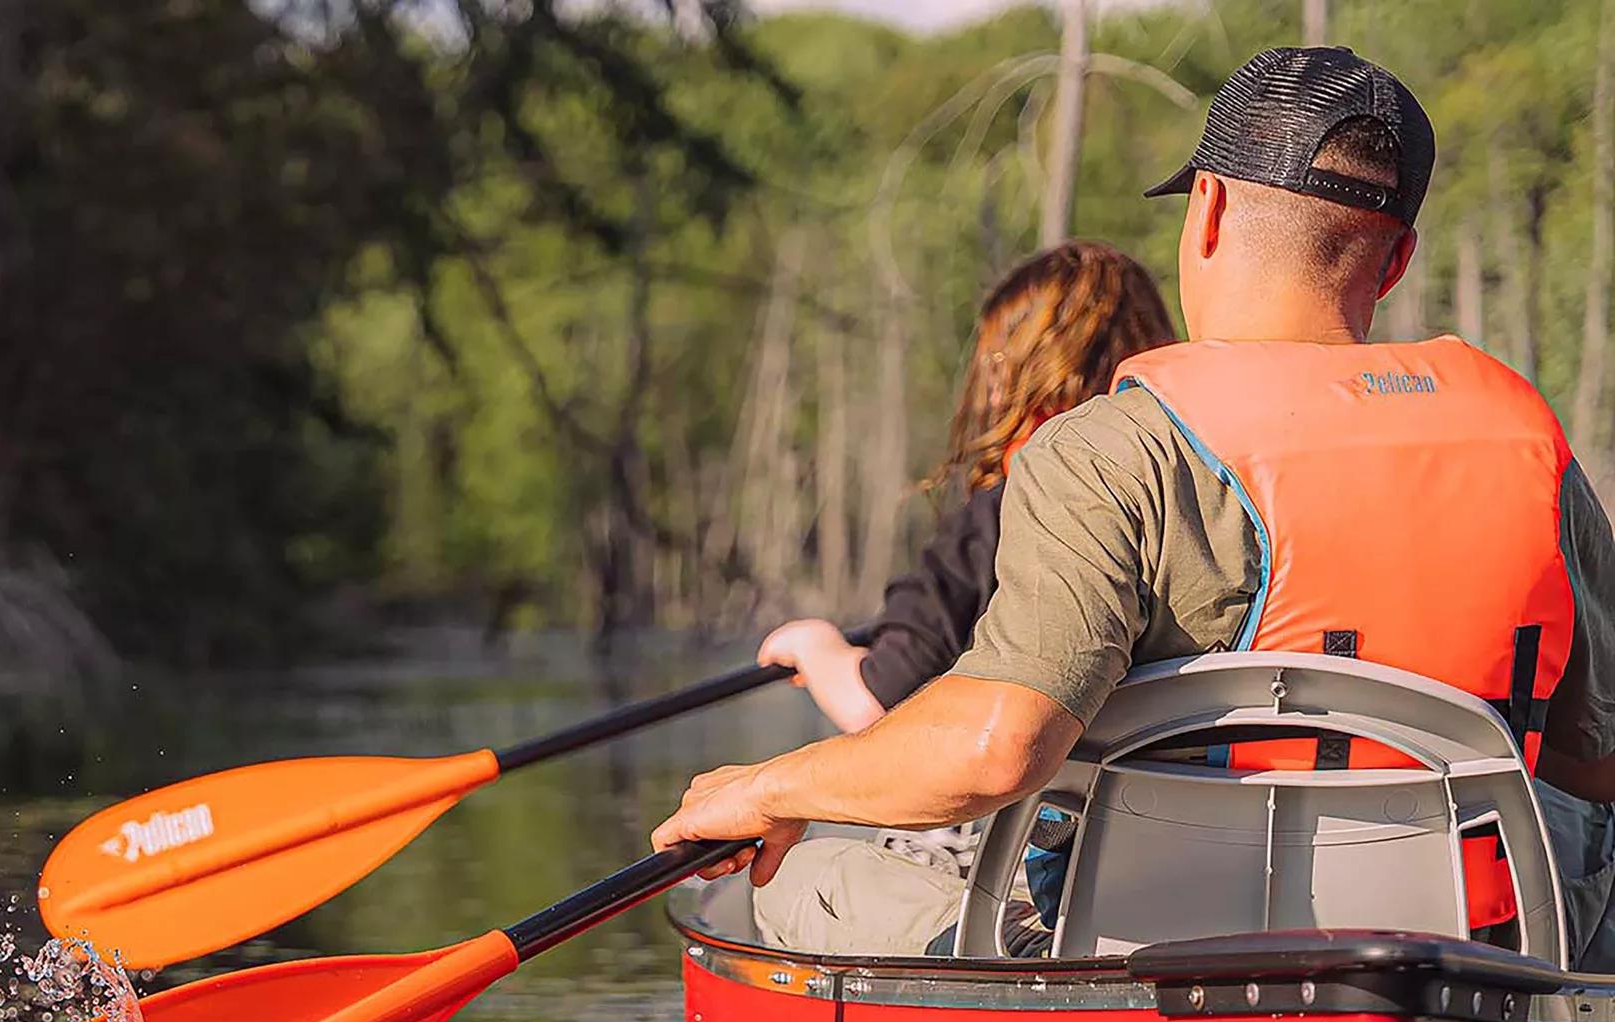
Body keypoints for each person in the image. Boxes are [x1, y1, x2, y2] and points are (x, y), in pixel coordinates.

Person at [653, 45, 1615, 967]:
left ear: (1207, 209)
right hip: (1472, 961)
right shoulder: (1534, 453)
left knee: (791, 878)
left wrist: (769, 786)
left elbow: (998, 751)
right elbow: (1594, 768)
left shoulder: (1114, 452)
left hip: (1157, 963)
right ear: (1397, 259)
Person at [752, 243, 1174, 956]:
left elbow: (878, 700)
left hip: (1025, 869)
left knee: (795, 874)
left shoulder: (1000, 516)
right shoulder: (1188, 504)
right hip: (1157, 863)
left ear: (1009, 380)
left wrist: (818, 650)